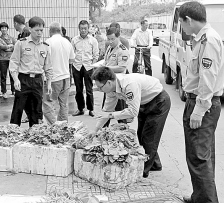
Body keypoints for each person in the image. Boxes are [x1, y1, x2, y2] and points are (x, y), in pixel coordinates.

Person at [178, 2, 224, 203]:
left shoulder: (209, 40)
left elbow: (208, 78)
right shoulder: (201, 39)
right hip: (197, 102)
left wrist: (198, 110)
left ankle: (206, 201)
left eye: (181, 23)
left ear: (188, 20)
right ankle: (201, 197)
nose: (182, 28)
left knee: (199, 158)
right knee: (202, 156)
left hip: (201, 105)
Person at [90, 67, 171, 178]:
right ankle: (155, 164)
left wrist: (111, 115)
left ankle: (142, 171)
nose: (100, 90)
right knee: (141, 135)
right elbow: (107, 110)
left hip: (158, 101)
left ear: (108, 82)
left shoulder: (129, 85)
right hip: (143, 103)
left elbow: (132, 112)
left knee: (149, 137)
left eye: (100, 87)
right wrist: (95, 130)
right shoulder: (111, 89)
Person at [9, 16, 53, 127]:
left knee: (36, 110)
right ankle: (13, 133)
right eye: (36, 30)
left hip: (38, 80)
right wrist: (15, 80)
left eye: (41, 30)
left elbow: (48, 67)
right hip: (24, 79)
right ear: (30, 28)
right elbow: (14, 62)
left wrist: (49, 84)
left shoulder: (45, 47)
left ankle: (34, 133)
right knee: (18, 108)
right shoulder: (21, 43)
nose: (39, 33)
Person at [42, 22, 75, 125]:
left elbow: (43, 61)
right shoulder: (67, 42)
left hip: (53, 79)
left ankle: (54, 127)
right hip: (66, 78)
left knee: (48, 104)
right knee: (63, 105)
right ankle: (63, 127)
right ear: (60, 31)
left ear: (50, 31)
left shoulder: (48, 42)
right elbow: (71, 60)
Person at [101, 27, 130, 127]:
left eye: (112, 39)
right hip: (109, 84)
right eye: (108, 39)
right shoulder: (110, 48)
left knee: (120, 112)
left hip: (119, 85)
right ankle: (103, 130)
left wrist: (106, 68)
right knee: (106, 109)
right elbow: (107, 61)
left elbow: (122, 68)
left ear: (118, 37)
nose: (110, 41)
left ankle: (125, 132)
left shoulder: (122, 50)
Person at [71, 20, 99, 117]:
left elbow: (96, 54)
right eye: (81, 28)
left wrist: (93, 65)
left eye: (85, 28)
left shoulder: (93, 40)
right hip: (77, 67)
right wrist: (73, 63)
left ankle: (91, 109)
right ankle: (80, 109)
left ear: (88, 29)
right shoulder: (74, 40)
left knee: (89, 89)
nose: (83, 30)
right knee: (78, 90)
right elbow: (72, 53)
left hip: (88, 67)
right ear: (79, 29)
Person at [13, 15, 30, 124]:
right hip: (23, 70)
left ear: (15, 23)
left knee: (21, 97)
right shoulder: (22, 33)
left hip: (26, 71)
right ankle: (29, 116)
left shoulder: (26, 33)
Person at [0, 22, 17, 98]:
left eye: (5, 28)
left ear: (7, 29)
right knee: (3, 76)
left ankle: (13, 90)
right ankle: (4, 91)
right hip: (3, 59)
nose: (4, 29)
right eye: (2, 28)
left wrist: (7, 47)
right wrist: (9, 47)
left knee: (12, 74)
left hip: (11, 59)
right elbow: (2, 47)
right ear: (0, 29)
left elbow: (15, 47)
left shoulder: (12, 38)